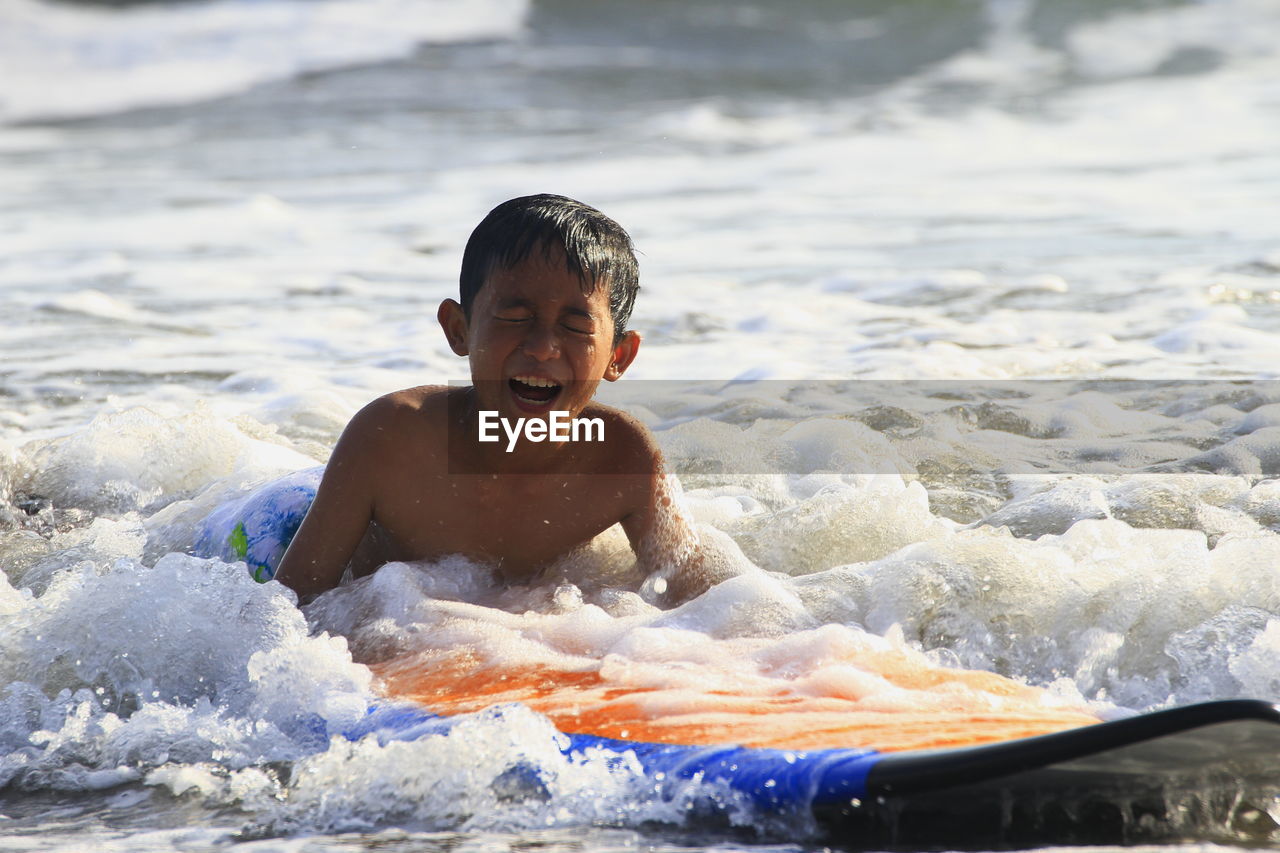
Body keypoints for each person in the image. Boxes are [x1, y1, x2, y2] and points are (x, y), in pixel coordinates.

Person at [274, 194, 744, 604]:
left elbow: (699, 602)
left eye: (576, 328)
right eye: (515, 317)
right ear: (459, 329)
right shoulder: (392, 438)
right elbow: (294, 603)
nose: (542, 347)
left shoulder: (622, 456)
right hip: (282, 521)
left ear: (618, 356)